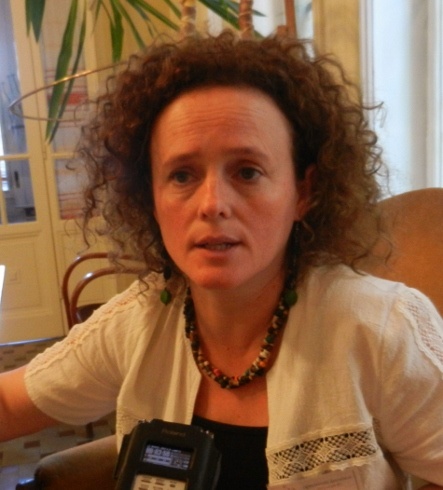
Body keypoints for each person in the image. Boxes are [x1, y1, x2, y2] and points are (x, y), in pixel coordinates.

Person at [1, 30, 442, 489]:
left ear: (303, 192)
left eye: (247, 172)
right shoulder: (140, 320)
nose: (212, 204)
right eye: (182, 175)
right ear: (151, 198)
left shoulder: (383, 327)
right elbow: (10, 404)